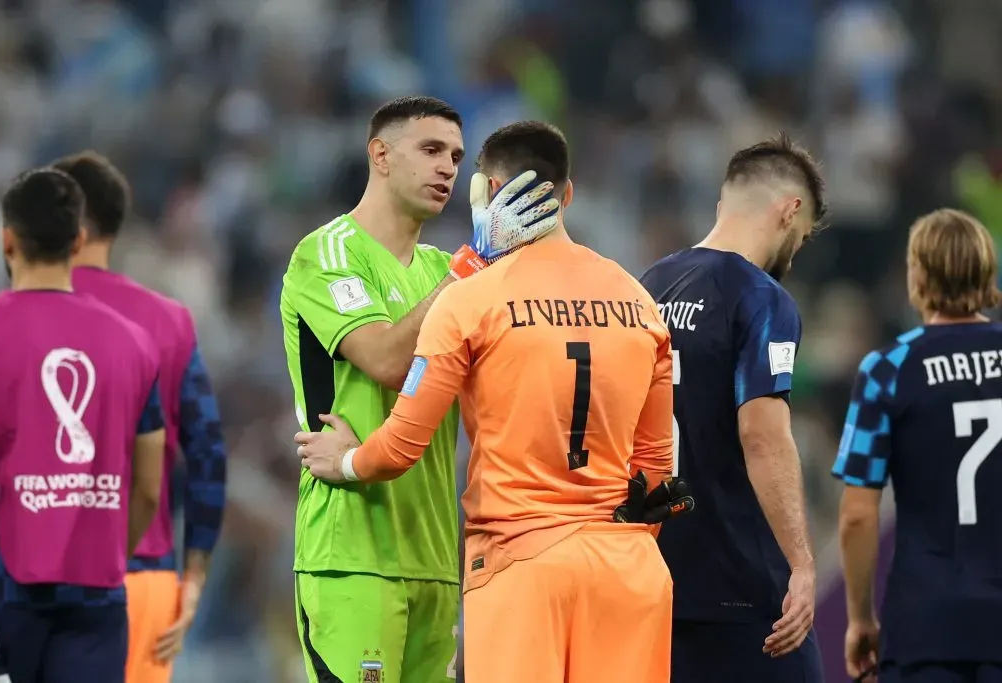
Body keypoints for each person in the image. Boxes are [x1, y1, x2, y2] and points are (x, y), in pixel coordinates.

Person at [293, 120, 690, 683]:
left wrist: (348, 460)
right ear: (568, 195)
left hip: (518, 563)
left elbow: (404, 443)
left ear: (485, 193)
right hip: (628, 571)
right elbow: (656, 469)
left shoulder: (469, 301)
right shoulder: (640, 301)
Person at [281, 98, 558, 683]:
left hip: (434, 555)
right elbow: (384, 356)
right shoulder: (327, 253)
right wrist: (476, 265)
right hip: (352, 552)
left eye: (457, 157)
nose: (448, 169)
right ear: (379, 154)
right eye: (431, 150)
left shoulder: (443, 269)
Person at [639, 133, 827, 683]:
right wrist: (803, 564)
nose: (798, 247)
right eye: (805, 234)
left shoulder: (648, 287)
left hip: (660, 580)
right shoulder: (761, 298)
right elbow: (764, 438)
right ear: (790, 211)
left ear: (724, 204)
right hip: (746, 592)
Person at [0, 168, 166, 683]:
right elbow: (148, 490)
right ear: (78, 240)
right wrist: (108, 555)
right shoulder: (133, 343)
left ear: (7, 240)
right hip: (96, 596)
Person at [49, 151, 227, 683]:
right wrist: (193, 578)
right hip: (145, 583)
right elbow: (209, 456)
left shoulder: (10, 323)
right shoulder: (168, 322)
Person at [833, 209, 1002, 683]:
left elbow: (858, 515)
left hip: (929, 625)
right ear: (986, 270)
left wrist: (861, 619)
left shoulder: (889, 368)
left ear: (918, 274)